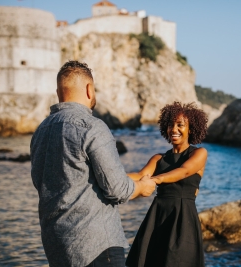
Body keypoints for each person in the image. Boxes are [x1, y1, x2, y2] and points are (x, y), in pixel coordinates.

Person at [30, 61, 156, 267]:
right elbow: (118, 190)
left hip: (57, 247)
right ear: (89, 89)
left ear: (58, 92)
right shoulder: (92, 127)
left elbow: (50, 183)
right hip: (96, 246)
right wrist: (142, 187)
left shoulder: (40, 131)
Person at [125, 102, 208, 267]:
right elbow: (140, 175)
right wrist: (110, 175)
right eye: (171, 125)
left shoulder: (199, 153)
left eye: (180, 125)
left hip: (183, 219)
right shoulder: (158, 158)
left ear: (190, 129)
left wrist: (156, 180)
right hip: (157, 216)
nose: (174, 129)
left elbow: (183, 171)